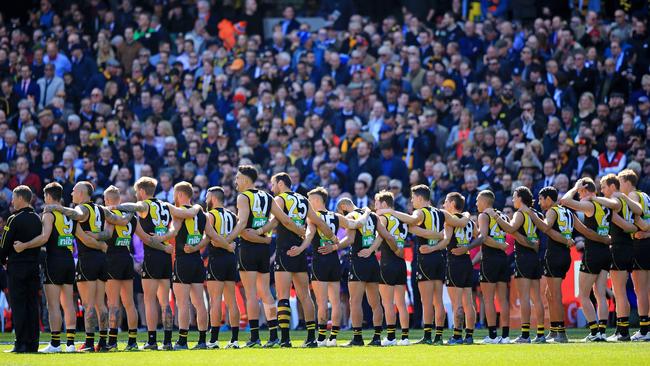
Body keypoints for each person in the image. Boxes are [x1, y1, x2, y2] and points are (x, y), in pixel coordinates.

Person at [115, 177, 202, 350]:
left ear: (141, 191)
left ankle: (152, 340)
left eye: (136, 192)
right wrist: (198, 207)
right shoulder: (167, 205)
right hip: (165, 257)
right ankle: (168, 340)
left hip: (152, 256)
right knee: (165, 302)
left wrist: (116, 207)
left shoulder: (145, 205)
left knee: (149, 300)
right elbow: (188, 214)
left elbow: (137, 207)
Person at [224, 165, 305, 348]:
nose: (235, 181)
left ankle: (254, 337)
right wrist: (299, 230)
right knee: (266, 292)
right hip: (263, 249)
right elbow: (281, 219)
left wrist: (226, 238)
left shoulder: (243, 197)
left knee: (251, 294)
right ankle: (274, 335)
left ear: (245, 179)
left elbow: (243, 223)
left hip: (248, 248)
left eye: (237, 178)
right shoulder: (267, 196)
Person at [46, 181, 131, 352]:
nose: (71, 194)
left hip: (87, 259)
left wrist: (57, 208)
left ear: (83, 194)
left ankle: (90, 343)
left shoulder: (82, 209)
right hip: (102, 260)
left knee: (88, 304)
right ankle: (104, 342)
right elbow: (117, 224)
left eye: (74, 191)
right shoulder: (102, 209)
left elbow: (76, 215)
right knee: (101, 304)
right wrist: (101, 240)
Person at [13, 183, 98, 352]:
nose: (45, 200)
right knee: (68, 304)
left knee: (53, 305)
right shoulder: (71, 214)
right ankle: (71, 344)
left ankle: (55, 343)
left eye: (45, 197)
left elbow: (44, 238)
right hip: (68, 261)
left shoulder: (50, 212)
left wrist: (25, 245)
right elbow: (83, 237)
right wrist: (101, 245)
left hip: (54, 261)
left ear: (49, 197)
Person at [376, 184, 465, 345]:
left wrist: (390, 211)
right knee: (438, 300)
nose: (411, 201)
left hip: (425, 257)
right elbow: (460, 222)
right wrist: (442, 232)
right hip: (440, 257)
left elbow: (411, 220)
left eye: (413, 198)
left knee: (427, 300)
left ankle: (428, 336)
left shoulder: (420, 212)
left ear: (419, 198)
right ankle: (439, 336)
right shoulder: (442, 212)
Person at [256, 172, 337, 347]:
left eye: (273, 184)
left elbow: (276, 222)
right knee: (305, 296)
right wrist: (332, 237)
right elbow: (317, 222)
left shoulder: (279, 199)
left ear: (280, 183)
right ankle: (311, 338)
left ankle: (285, 338)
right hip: (300, 251)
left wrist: (259, 231)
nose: (272, 188)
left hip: (285, 250)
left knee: (283, 296)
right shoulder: (303, 200)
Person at [524, 186, 609, 342]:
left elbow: (544, 227)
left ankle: (561, 332)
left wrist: (530, 214)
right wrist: (604, 239)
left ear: (548, 199)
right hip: (565, 255)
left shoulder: (552, 211)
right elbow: (585, 230)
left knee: (555, 295)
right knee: (549, 294)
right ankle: (555, 330)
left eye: (541, 199)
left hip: (554, 254)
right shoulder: (569, 212)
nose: (540, 203)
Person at [302, 187, 367, 347]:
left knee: (321, 302)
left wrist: (300, 247)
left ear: (317, 201)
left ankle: (322, 338)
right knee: (336, 301)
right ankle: (333, 338)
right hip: (334, 261)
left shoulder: (313, 217)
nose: (309, 204)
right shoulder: (336, 217)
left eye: (310, 200)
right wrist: (366, 211)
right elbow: (357, 224)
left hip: (320, 261)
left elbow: (310, 234)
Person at [560, 177, 623, 341]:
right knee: (601, 294)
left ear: (584, 190)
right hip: (605, 252)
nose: (579, 196)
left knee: (583, 295)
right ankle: (602, 331)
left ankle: (594, 332)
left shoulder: (589, 204)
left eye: (580, 193)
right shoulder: (606, 205)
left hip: (593, 252)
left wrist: (574, 188)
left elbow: (564, 201)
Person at [487, 187, 546, 343]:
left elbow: (511, 228)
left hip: (523, 257)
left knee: (525, 297)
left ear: (520, 198)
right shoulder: (536, 213)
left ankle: (525, 335)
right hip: (534, 256)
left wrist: (497, 217)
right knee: (537, 297)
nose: (513, 200)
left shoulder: (520, 213)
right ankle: (540, 334)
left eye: (514, 197)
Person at [336, 197, 394, 347]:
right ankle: (376, 337)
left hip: (358, 261)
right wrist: (371, 249)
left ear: (343, 207)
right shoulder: (373, 216)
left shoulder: (351, 216)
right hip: (372, 261)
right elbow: (385, 235)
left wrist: (334, 247)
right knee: (375, 302)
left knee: (354, 301)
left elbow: (350, 239)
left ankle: (357, 338)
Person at [590, 174, 638, 341]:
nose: (602, 191)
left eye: (603, 187)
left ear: (612, 186)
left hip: (619, 248)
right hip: (629, 247)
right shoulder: (626, 200)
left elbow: (614, 207)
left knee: (619, 292)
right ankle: (620, 329)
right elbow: (636, 212)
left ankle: (623, 332)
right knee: (620, 292)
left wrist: (594, 199)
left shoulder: (615, 200)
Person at [166, 181, 214, 350]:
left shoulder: (179, 213)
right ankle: (202, 340)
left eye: (174, 194)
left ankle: (182, 341)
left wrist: (158, 238)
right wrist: (196, 247)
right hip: (197, 261)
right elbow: (209, 237)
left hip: (182, 260)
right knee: (200, 302)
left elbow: (174, 231)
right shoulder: (201, 214)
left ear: (179, 194)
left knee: (182, 303)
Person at [0, 186, 42, 353]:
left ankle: (20, 343)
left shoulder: (13, 219)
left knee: (19, 305)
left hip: (17, 267)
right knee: (32, 305)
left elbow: (4, 245)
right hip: (33, 266)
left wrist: (2, 260)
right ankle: (33, 344)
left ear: (21, 199)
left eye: (14, 198)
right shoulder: (38, 218)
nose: (12, 201)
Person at [102, 186, 139, 351]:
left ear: (108, 200)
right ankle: (132, 341)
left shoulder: (109, 214)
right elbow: (144, 236)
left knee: (113, 304)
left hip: (113, 259)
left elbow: (107, 235)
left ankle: (113, 341)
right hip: (127, 258)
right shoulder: (130, 215)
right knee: (129, 303)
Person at [205, 186, 242, 349]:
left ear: (213, 198)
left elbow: (212, 239)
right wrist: (229, 246)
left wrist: (226, 245)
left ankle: (213, 340)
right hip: (230, 259)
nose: (206, 199)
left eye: (207, 196)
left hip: (218, 258)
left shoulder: (210, 215)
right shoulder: (232, 215)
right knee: (231, 300)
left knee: (215, 300)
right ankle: (234, 340)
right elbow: (236, 238)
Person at [374, 191, 409, 346]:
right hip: (401, 262)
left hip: (388, 261)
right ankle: (405, 337)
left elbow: (379, 238)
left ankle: (390, 337)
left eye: (376, 203)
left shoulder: (383, 218)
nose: (375, 206)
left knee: (388, 302)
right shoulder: (402, 219)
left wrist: (370, 249)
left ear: (383, 204)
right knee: (401, 303)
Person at [444, 192, 477, 345]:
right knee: (469, 302)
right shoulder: (470, 221)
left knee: (456, 302)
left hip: (454, 261)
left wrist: (432, 247)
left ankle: (457, 336)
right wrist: (468, 247)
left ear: (452, 203)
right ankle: (469, 335)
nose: (444, 205)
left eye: (446, 202)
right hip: (467, 260)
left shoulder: (450, 221)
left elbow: (445, 241)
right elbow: (480, 236)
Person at [622, 169, 650, 341]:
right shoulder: (645, 195)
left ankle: (645, 330)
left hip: (639, 244)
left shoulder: (632, 195)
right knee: (647, 289)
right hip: (646, 242)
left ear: (627, 181)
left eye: (620, 180)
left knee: (640, 289)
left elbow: (636, 217)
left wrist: (644, 230)